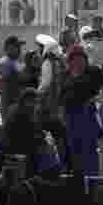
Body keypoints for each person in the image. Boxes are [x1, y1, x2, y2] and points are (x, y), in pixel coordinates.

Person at [61, 46, 103, 179]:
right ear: (69, 61)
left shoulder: (94, 71)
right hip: (71, 117)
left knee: (89, 151)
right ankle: (78, 182)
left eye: (81, 59)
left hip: (88, 115)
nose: (78, 62)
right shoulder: (64, 75)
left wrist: (98, 99)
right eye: (74, 59)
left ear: (85, 60)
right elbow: (61, 97)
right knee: (74, 152)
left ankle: (92, 182)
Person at [35, 34, 68, 171]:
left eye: (40, 47)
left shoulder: (48, 63)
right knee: (60, 137)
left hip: (48, 108)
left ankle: (49, 165)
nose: (38, 50)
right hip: (59, 108)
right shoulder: (59, 63)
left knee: (43, 136)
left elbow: (45, 84)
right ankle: (64, 165)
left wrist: (35, 95)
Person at [0, 36, 25, 120]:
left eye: (20, 47)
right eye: (17, 47)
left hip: (15, 102)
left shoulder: (13, 61)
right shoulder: (6, 63)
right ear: (9, 48)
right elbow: (5, 85)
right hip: (10, 103)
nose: (20, 50)